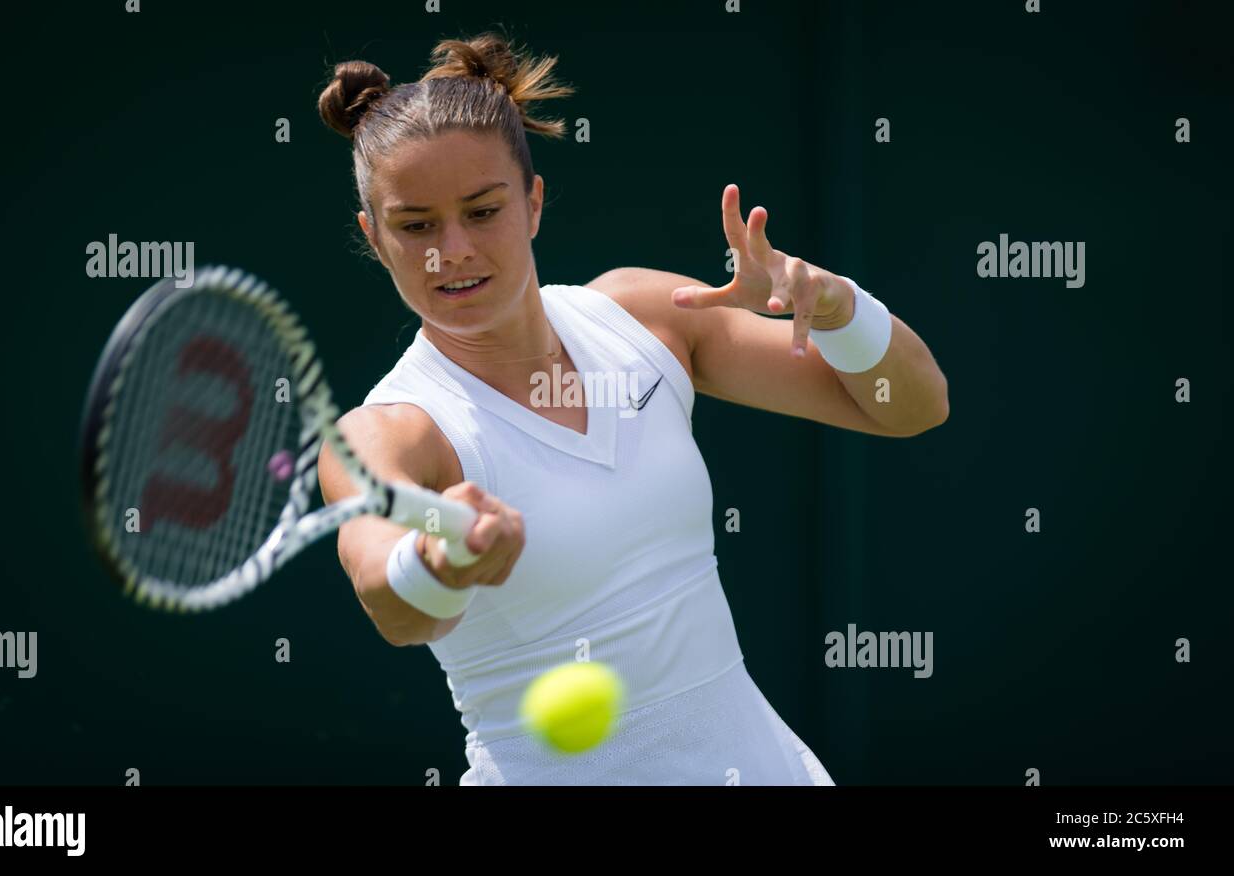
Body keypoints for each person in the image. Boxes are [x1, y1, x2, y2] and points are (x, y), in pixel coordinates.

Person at [315, 31, 949, 785]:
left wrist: (841, 310)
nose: (450, 250)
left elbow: (912, 406)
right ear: (375, 239)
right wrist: (439, 558)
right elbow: (392, 605)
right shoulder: (388, 432)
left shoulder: (644, 315)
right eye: (415, 226)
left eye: (483, 212)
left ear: (534, 203)